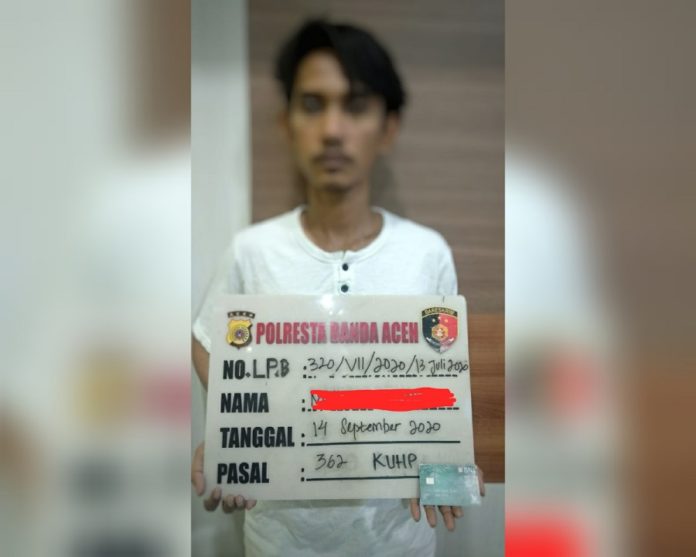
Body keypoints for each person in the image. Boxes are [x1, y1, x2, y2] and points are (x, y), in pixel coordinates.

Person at [191, 19, 484, 556]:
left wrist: (448, 459)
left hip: (399, 544)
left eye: (356, 106)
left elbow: (442, 388)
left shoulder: (427, 253)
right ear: (286, 124)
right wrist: (233, 427)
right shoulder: (251, 251)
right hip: (281, 542)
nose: (332, 129)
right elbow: (207, 339)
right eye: (312, 104)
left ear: (388, 128)